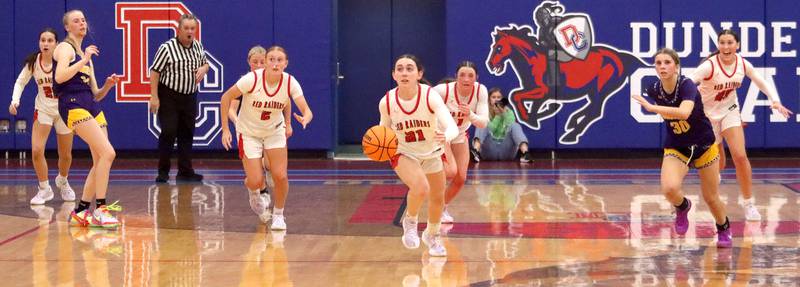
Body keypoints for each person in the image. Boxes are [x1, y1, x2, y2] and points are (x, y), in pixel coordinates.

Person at [689, 29, 793, 221]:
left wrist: (775, 100)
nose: (726, 46)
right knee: (719, 164)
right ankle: (714, 181)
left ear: (737, 45)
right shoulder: (709, 65)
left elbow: (761, 81)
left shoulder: (742, 64)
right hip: (707, 116)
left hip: (730, 111)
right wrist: (683, 103)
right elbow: (688, 82)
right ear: (718, 45)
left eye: (730, 42)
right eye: (722, 42)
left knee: (740, 156)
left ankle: (748, 204)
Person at [632, 48, 731, 248]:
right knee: (669, 189)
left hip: (704, 144)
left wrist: (652, 108)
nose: (662, 66)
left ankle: (723, 227)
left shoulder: (687, 86)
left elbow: (685, 112)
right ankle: (683, 206)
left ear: (676, 66)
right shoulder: (654, 89)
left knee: (711, 197)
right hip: (678, 146)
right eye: (658, 63)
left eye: (667, 62)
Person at [221, 45, 313, 230]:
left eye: (279, 60)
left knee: (280, 175)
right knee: (255, 180)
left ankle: (278, 215)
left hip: (274, 131)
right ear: (266, 62)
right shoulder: (251, 79)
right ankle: (253, 190)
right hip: (249, 133)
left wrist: (305, 117)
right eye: (271, 59)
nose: (275, 64)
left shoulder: (290, 82)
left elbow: (306, 109)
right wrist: (225, 129)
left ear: (286, 63)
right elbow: (226, 98)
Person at [379, 54, 458, 257]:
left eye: (409, 68)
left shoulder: (430, 96)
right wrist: (378, 145)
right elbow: (383, 131)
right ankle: (411, 221)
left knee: (438, 199)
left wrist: (446, 136)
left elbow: (452, 126)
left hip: (432, 152)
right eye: (400, 69)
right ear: (394, 75)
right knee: (421, 187)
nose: (404, 73)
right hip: (403, 152)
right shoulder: (387, 101)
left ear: (419, 74)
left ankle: (432, 235)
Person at [54, 10, 120, 228]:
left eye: (83, 20)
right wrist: (84, 59)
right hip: (72, 104)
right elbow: (60, 77)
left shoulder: (85, 57)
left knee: (101, 159)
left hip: (91, 105)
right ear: (67, 27)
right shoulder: (65, 48)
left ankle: (82, 210)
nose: (82, 23)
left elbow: (96, 94)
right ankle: (101, 209)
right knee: (109, 152)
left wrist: (108, 85)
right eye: (76, 21)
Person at [9, 28, 76, 205]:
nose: (46, 44)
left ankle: (63, 180)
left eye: (50, 40)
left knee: (66, 155)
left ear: (57, 44)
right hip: (43, 109)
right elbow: (20, 82)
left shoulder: (63, 61)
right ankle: (44, 188)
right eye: (43, 40)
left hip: (64, 110)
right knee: (37, 151)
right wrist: (15, 101)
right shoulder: (33, 63)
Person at [149, 13, 209, 183]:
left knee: (187, 133)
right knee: (168, 132)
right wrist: (154, 96)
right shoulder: (167, 48)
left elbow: (205, 63)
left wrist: (204, 68)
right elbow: (154, 71)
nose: (190, 31)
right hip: (169, 95)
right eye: (186, 28)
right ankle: (163, 172)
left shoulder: (197, 45)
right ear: (179, 29)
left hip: (190, 96)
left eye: (192, 28)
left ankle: (185, 171)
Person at [228, 46, 293, 193]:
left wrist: (288, 123)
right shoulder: (245, 82)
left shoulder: (277, 80)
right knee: (255, 176)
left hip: (271, 127)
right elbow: (231, 109)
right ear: (249, 62)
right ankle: (258, 188)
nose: (258, 65)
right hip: (250, 129)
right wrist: (236, 121)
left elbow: (287, 102)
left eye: (262, 62)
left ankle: (267, 170)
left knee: (271, 164)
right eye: (254, 62)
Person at [433, 61, 488, 224]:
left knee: (460, 178)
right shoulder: (442, 91)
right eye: (462, 75)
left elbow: (483, 123)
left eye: (470, 75)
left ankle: (441, 207)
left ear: (476, 78)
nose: (466, 78)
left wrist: (470, 114)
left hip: (459, 134)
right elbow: (423, 103)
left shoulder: (480, 91)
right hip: (441, 134)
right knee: (450, 171)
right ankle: (427, 180)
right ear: (456, 76)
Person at [471, 88, 531, 162]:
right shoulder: (485, 111)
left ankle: (525, 154)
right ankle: (475, 151)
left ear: (502, 99)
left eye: (498, 97)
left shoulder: (508, 111)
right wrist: (498, 116)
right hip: (489, 150)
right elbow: (492, 129)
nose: (496, 99)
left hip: (506, 150)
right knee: (482, 124)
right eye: (493, 97)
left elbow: (510, 124)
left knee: (515, 125)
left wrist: (503, 113)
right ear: (489, 99)